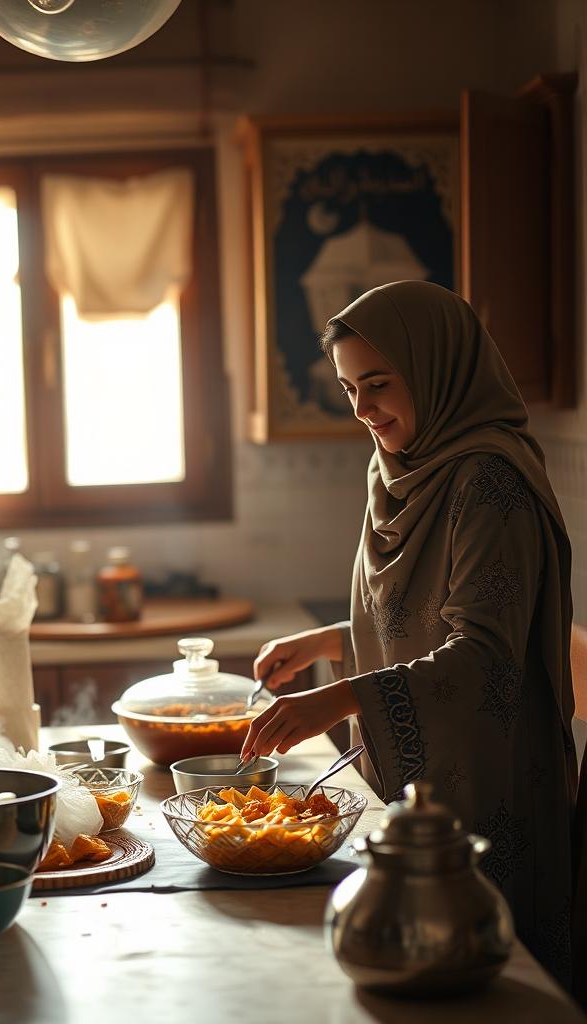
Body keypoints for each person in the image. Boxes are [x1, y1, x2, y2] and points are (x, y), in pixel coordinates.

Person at [239, 280, 575, 984]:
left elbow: (484, 655)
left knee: (487, 984)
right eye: (348, 388)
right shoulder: (396, 468)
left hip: (485, 790)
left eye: (380, 384)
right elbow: (423, 614)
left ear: (435, 367)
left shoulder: (490, 483)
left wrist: (339, 698)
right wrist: (335, 639)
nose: (362, 410)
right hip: (419, 786)